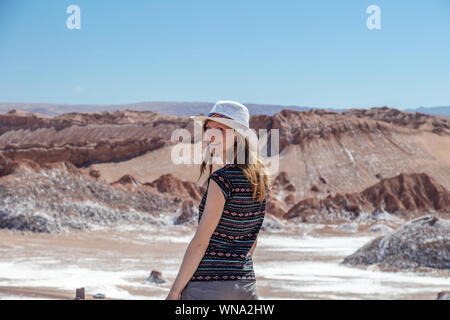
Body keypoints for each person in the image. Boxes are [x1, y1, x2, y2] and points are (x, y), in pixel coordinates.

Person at [165, 100, 271, 300]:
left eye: (220, 129)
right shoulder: (260, 179)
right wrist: (235, 273)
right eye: (209, 128)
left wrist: (174, 291)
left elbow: (200, 243)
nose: (210, 135)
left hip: (209, 287)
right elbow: (252, 240)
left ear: (238, 136)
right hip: (246, 285)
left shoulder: (223, 179)